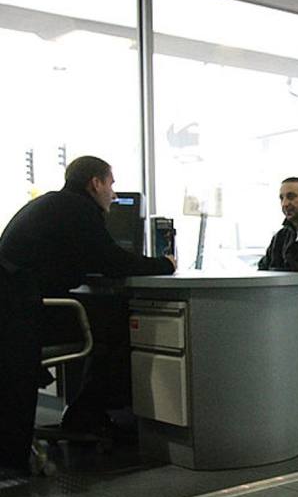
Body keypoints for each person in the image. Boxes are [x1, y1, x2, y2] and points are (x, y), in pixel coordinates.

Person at [0, 156, 176, 477]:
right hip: (24, 316)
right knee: (118, 326)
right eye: (111, 184)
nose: (113, 192)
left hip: (18, 312)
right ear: (95, 183)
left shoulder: (54, 205)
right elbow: (113, 262)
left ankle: (85, 412)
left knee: (106, 320)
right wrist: (166, 264)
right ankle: (88, 413)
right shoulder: (78, 210)